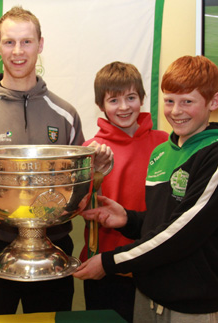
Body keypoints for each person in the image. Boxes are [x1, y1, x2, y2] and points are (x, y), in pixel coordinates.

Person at [0, 6, 112, 316]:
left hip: (54, 247)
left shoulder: (65, 114)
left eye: (26, 42)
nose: (18, 52)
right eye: (9, 42)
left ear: (40, 45)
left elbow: (78, 185)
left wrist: (98, 170)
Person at [73, 55, 218, 323]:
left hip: (190, 303)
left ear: (213, 102)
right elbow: (160, 220)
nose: (177, 111)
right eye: (170, 101)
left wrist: (110, 262)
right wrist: (127, 219)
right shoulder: (163, 152)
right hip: (149, 294)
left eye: (187, 101)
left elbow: (182, 232)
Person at [79, 62, 168, 322]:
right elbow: (80, 208)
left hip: (152, 266)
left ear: (141, 98)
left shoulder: (164, 143)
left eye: (131, 97)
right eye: (114, 100)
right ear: (100, 105)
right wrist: (96, 174)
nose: (124, 107)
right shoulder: (90, 150)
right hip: (105, 270)